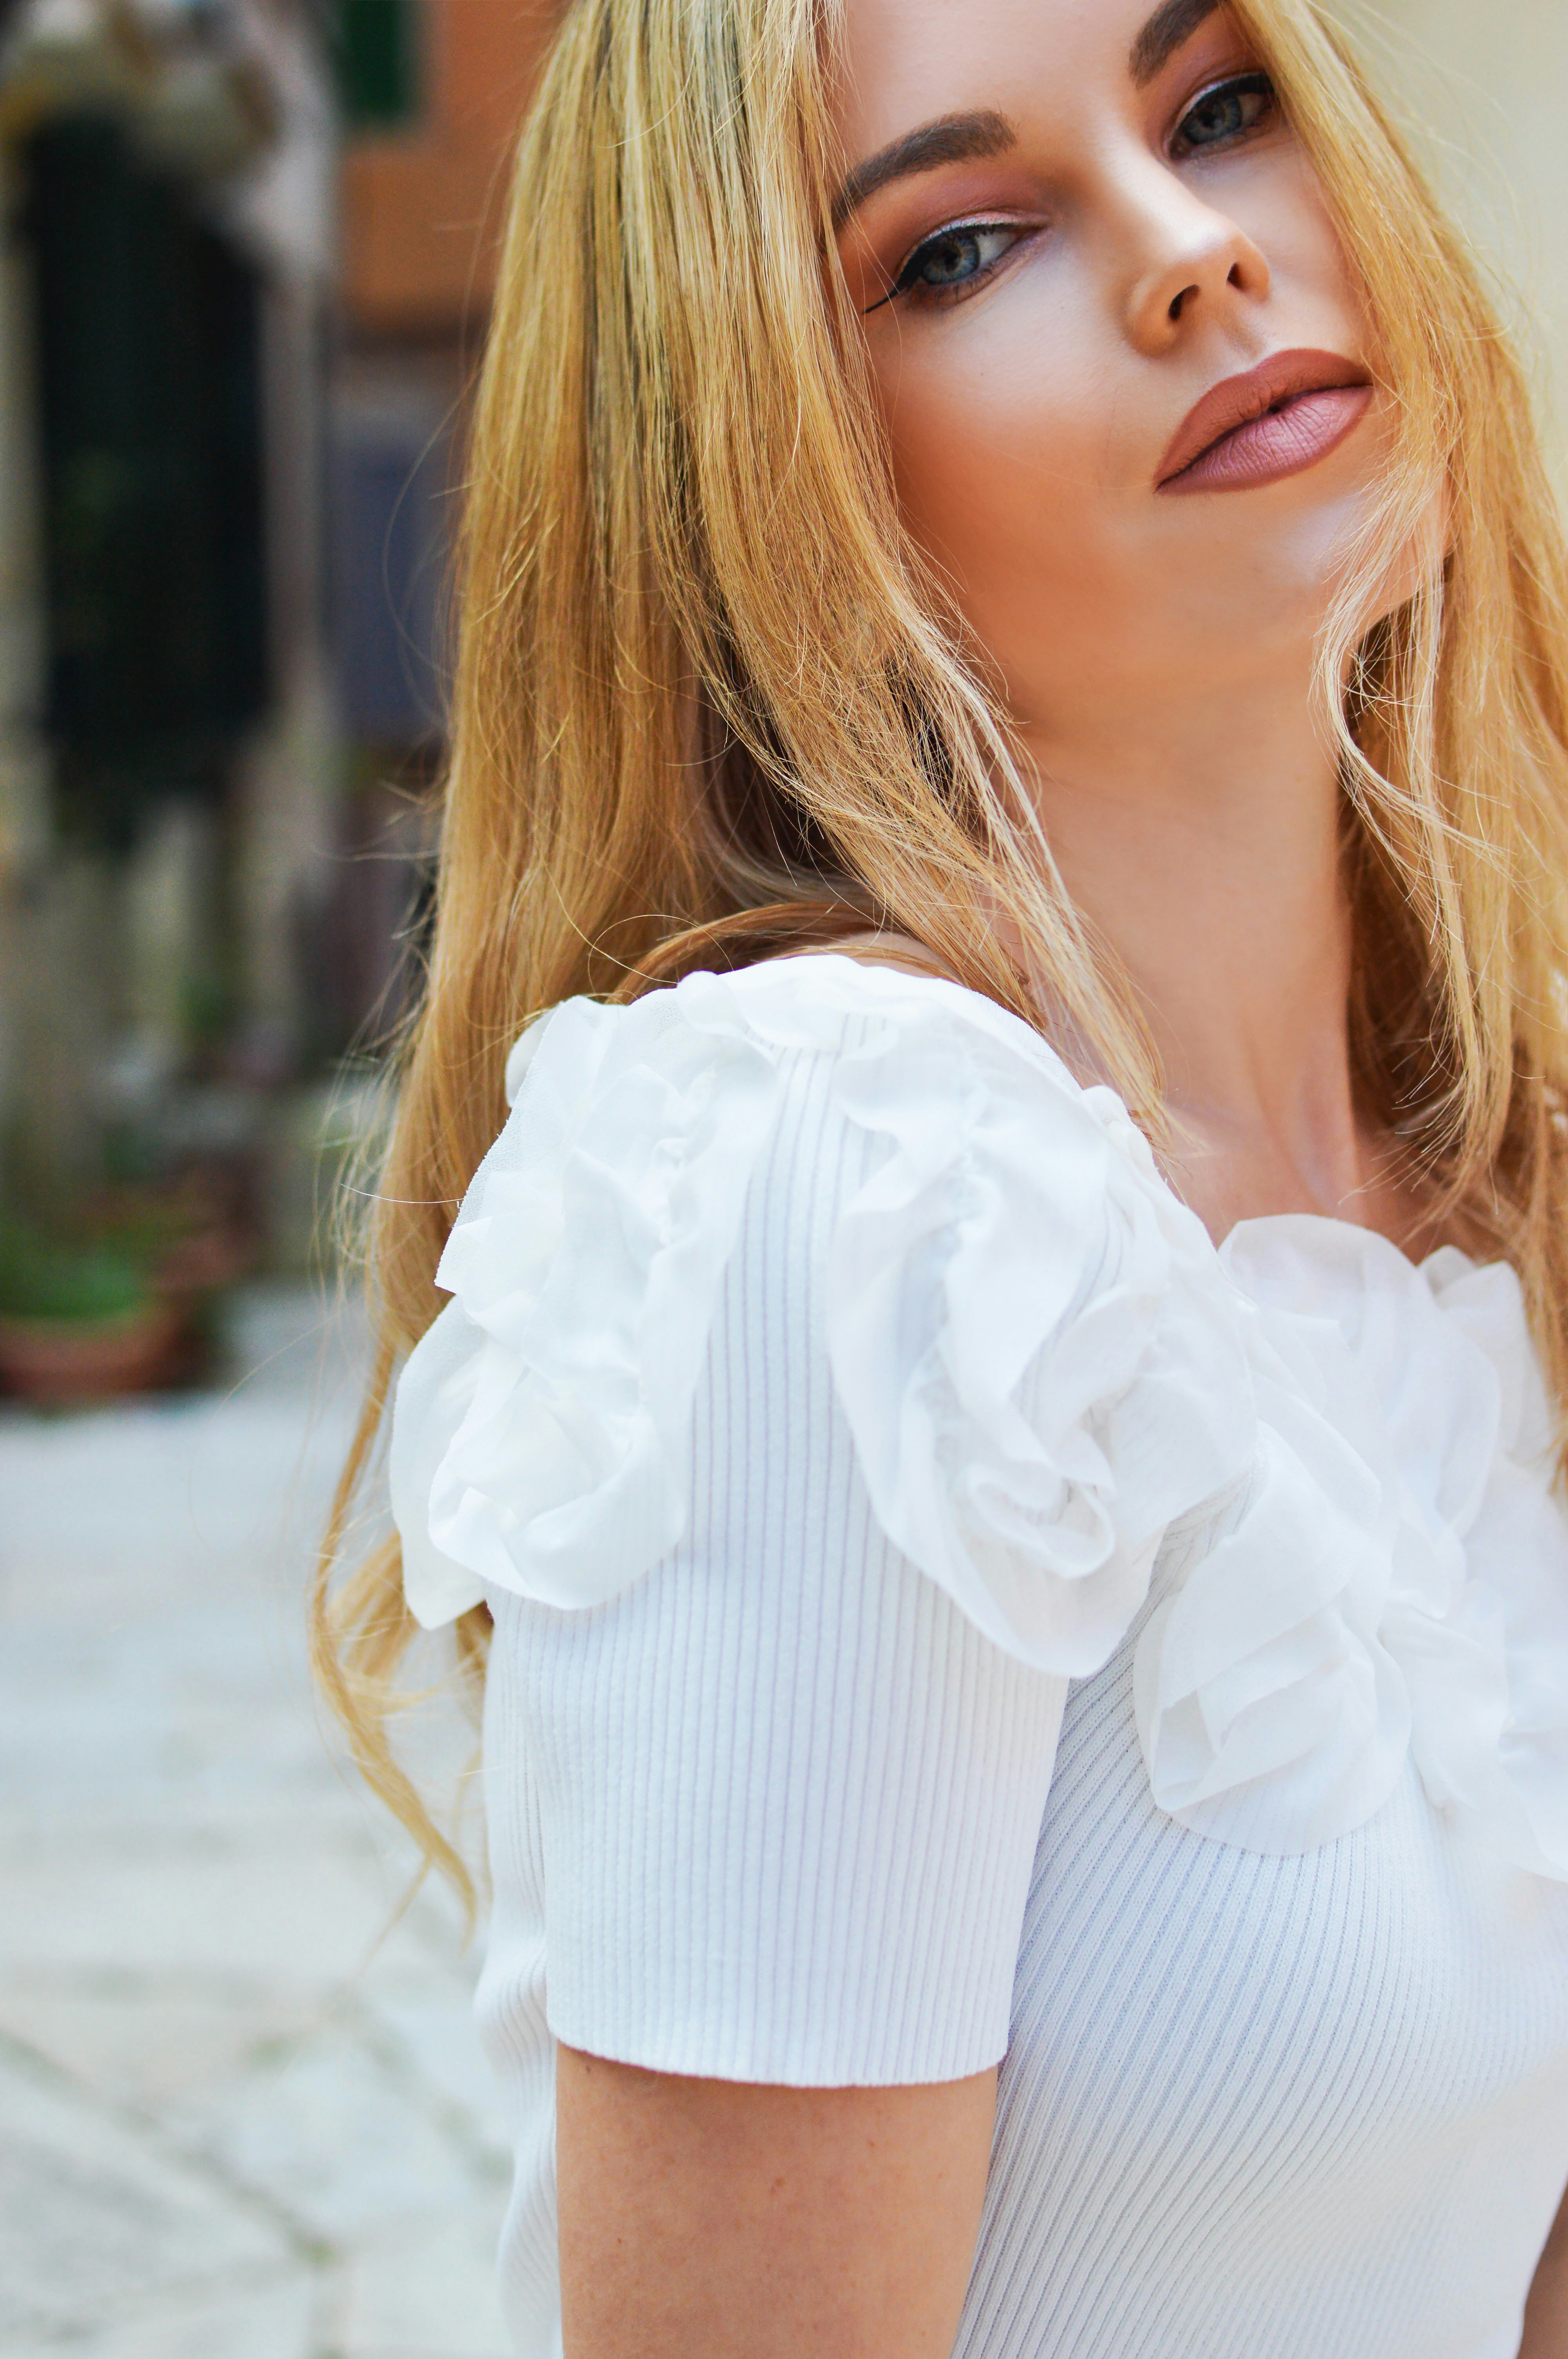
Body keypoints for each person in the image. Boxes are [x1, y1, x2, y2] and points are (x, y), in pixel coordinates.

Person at [312, 0, 1568, 2350]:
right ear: (775, 468)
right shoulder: (840, 1183)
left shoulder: (1473, 1187)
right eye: (967, 246)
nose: (1197, 253)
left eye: (1221, 107)